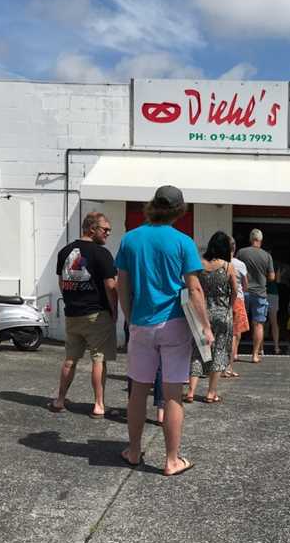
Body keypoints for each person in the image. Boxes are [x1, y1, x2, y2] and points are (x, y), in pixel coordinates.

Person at [115, 185, 213, 476]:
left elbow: (122, 284)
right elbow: (194, 288)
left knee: (137, 392)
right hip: (174, 324)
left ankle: (133, 451)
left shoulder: (130, 239)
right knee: (172, 394)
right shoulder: (183, 242)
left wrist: (130, 316)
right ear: (179, 211)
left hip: (141, 323)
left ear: (152, 206)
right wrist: (206, 326)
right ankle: (171, 460)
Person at [52, 212, 117, 418]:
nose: (108, 233)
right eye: (104, 229)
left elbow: (62, 282)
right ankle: (98, 404)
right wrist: (114, 311)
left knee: (70, 358)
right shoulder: (102, 254)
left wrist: (71, 300)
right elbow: (110, 286)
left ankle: (60, 399)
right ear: (91, 228)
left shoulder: (64, 251)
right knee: (98, 359)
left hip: (72, 313)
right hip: (96, 314)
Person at [185, 232, 237, 403]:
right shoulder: (228, 267)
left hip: (202, 313)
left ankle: (191, 391)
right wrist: (230, 305)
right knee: (220, 352)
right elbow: (235, 290)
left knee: (198, 351)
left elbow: (192, 287)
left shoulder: (199, 264)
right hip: (222, 314)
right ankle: (211, 393)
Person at [236, 228, 275, 363]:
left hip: (243, 292)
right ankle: (255, 355)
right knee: (258, 324)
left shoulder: (241, 252)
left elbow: (234, 268)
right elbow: (271, 277)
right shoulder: (267, 256)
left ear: (250, 239)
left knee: (239, 322)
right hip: (259, 293)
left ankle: (234, 353)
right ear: (261, 240)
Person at [225, 237, 249, 378]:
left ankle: (217, 366)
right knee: (235, 334)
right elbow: (246, 286)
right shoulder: (239, 265)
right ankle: (228, 366)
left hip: (220, 301)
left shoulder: (216, 263)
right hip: (237, 300)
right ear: (234, 248)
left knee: (221, 335)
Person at [266, 264, 282, 355]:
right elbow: (278, 281)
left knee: (260, 322)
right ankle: (276, 347)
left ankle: (260, 349)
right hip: (273, 294)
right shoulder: (275, 266)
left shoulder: (260, 263)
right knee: (274, 322)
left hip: (262, 292)